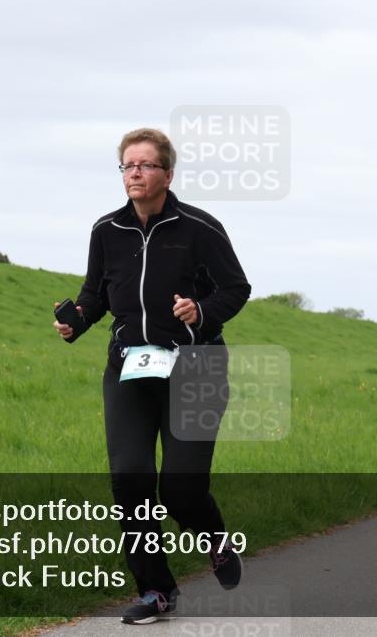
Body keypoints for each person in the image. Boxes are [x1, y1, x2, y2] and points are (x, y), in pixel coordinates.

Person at [53, 128, 251, 624]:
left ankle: (215, 540)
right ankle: (157, 590)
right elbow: (96, 292)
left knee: (181, 489)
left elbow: (236, 288)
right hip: (130, 366)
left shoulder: (200, 228)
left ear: (167, 173)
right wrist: (76, 319)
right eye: (127, 166)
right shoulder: (107, 231)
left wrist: (200, 311)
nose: (134, 173)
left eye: (144, 165)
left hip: (196, 366)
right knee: (129, 478)